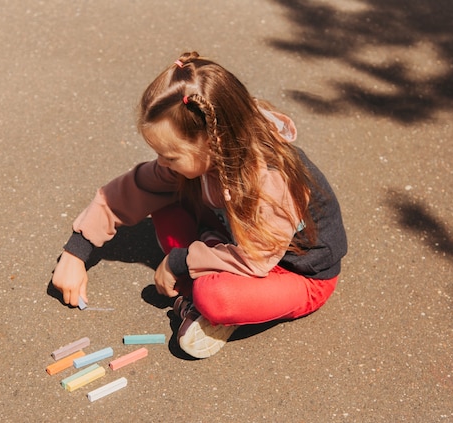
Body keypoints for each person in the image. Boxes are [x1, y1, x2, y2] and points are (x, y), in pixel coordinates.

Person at [52, 52, 347, 359]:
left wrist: (180, 261)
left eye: (170, 156)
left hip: (295, 273)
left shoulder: (273, 181)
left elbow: (256, 260)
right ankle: (205, 267)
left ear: (213, 141)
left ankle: (203, 300)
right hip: (232, 236)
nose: (162, 163)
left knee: (215, 297)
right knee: (163, 206)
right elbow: (133, 189)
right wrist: (77, 250)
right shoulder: (206, 152)